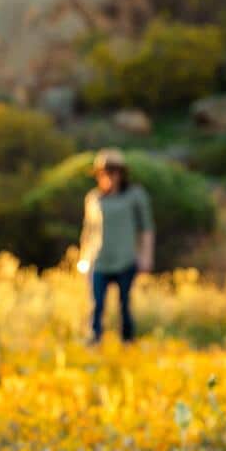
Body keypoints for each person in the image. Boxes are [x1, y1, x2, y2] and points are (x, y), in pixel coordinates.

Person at [77, 148, 154, 345]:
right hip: (99, 259)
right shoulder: (93, 198)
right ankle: (94, 340)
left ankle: (127, 342)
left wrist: (145, 256)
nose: (108, 176)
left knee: (124, 304)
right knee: (97, 304)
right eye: (103, 173)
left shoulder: (135, 196)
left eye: (112, 171)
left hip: (125, 258)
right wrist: (82, 259)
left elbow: (146, 228)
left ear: (121, 173)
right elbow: (88, 230)